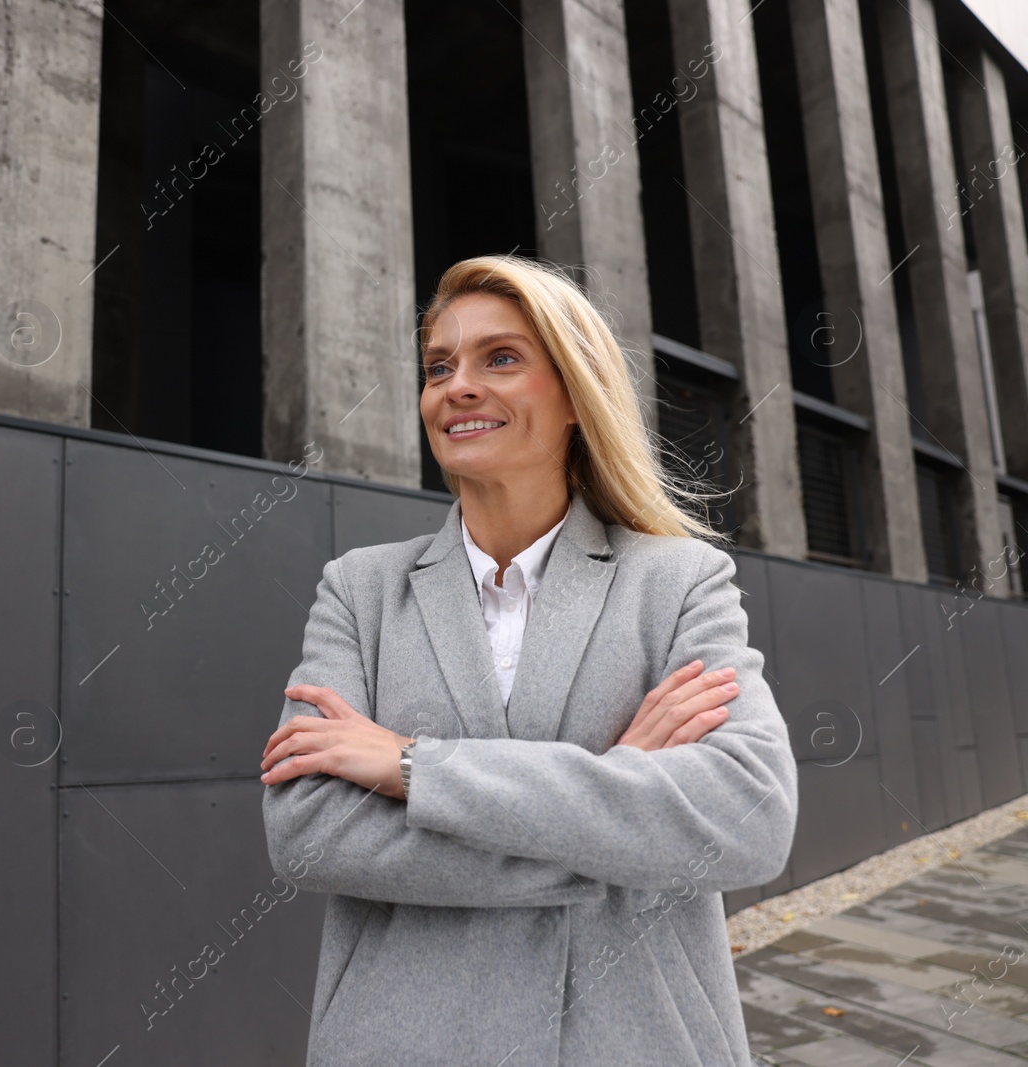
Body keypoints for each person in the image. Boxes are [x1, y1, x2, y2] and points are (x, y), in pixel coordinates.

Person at [259, 254, 798, 1066]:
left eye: (501, 358)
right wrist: (617, 792)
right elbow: (307, 834)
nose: (457, 386)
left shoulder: (680, 580)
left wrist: (412, 766)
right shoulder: (359, 590)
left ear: (577, 394)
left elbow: (749, 819)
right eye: (440, 367)